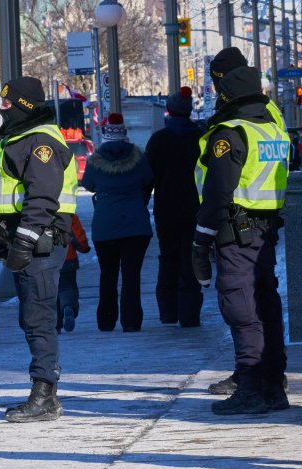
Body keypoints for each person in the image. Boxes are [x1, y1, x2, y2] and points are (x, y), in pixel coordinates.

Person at [190, 61, 289, 417]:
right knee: (266, 306)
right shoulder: (274, 129)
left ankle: (250, 387)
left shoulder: (231, 132)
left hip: (236, 232)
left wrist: (201, 239)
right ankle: (274, 385)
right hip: (265, 231)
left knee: (242, 308)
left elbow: (218, 192)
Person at [0, 76, 76, 422]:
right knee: (32, 316)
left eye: (8, 102)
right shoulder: (18, 138)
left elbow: (41, 197)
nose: (2, 107)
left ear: (24, 105)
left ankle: (45, 395)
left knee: (38, 317)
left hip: (39, 242)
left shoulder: (40, 142)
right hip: (26, 240)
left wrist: (22, 239)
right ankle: (43, 390)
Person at [81, 113, 153, 332]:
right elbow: (149, 179)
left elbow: (89, 184)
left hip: (105, 225)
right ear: (124, 133)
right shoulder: (139, 158)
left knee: (108, 273)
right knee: (132, 274)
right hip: (136, 225)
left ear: (106, 135)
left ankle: (106, 320)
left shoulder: (95, 161)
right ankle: (132, 321)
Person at [145, 86, 204, 327]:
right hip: (195, 209)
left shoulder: (159, 140)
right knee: (191, 260)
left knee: (168, 258)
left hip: (166, 209)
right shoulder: (200, 138)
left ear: (169, 110)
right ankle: (190, 314)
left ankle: (168, 312)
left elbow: (148, 177)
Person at [56, 213, 90, 333]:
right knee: (67, 287)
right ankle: (68, 306)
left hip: (44, 260)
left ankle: (55, 324)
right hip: (67, 258)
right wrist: (84, 247)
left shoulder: (36, 212)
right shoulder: (69, 215)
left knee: (48, 291)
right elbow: (79, 238)